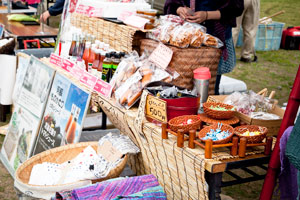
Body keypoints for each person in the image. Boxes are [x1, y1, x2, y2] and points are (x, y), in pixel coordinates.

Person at [164, 0, 244, 95]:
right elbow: (170, 3)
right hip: (184, 39)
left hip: (214, 41)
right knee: (181, 85)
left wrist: (207, 15)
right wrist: (179, 10)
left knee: (209, 88)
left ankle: (208, 108)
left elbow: (236, 8)